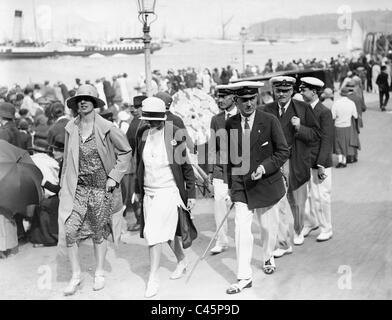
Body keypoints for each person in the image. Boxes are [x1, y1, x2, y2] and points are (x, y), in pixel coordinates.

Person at [58, 84, 132, 296]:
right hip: (78, 188)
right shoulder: (71, 127)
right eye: (79, 99)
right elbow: (66, 160)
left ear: (94, 103)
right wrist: (64, 184)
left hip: (102, 188)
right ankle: (75, 275)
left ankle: (99, 272)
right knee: (70, 230)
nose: (82, 102)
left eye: (87, 99)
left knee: (98, 231)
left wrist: (114, 177)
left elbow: (126, 152)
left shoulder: (108, 127)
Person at [225, 81, 290, 294]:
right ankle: (244, 276)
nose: (249, 104)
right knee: (242, 230)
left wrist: (264, 167)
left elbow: (282, 152)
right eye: (244, 100)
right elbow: (230, 159)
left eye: (252, 99)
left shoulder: (269, 121)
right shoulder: (230, 124)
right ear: (236, 101)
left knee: (267, 228)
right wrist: (231, 189)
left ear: (257, 99)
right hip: (242, 188)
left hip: (267, 184)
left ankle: (268, 254)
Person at [133, 97, 196, 298]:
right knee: (166, 234)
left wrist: (191, 193)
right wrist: (136, 189)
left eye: (155, 119)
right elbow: (139, 165)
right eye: (148, 119)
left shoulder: (174, 134)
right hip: (148, 191)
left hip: (168, 191)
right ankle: (182, 260)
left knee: (153, 233)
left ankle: (152, 278)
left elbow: (186, 166)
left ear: (163, 117)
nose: (151, 123)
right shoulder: (142, 134)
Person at [264, 76, 320, 248]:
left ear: (292, 91)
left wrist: (300, 128)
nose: (281, 94)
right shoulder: (266, 109)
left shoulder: (303, 108)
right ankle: (282, 238)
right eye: (278, 90)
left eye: (286, 91)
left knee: (296, 199)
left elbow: (316, 134)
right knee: (277, 200)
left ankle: (298, 230)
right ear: (273, 91)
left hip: (295, 160)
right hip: (274, 161)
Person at [299, 77, 334, 242]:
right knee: (306, 196)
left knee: (322, 196)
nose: (301, 91)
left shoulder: (324, 112)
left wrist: (320, 163)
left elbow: (327, 139)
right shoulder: (304, 110)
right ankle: (310, 222)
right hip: (306, 160)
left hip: (320, 162)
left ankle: (327, 228)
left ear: (314, 92)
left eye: (304, 89)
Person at [207, 85, 238, 255]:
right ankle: (222, 240)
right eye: (218, 97)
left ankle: (241, 238)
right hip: (220, 168)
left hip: (240, 168)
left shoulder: (243, 116)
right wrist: (211, 171)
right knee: (219, 203)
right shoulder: (216, 119)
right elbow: (212, 145)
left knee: (241, 205)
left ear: (233, 98)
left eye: (223, 97)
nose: (219, 100)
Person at [125, 95, 147, 232]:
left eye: (139, 107)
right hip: (140, 163)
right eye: (136, 107)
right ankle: (142, 221)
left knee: (138, 193)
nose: (137, 110)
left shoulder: (135, 123)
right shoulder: (136, 123)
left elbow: (128, 146)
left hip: (140, 164)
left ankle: (141, 221)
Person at [331, 87, 358, 168]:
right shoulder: (351, 103)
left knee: (338, 145)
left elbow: (333, 116)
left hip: (338, 126)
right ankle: (344, 161)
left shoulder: (336, 103)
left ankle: (340, 161)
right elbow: (355, 116)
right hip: (347, 126)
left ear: (340, 94)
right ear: (347, 94)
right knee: (345, 144)